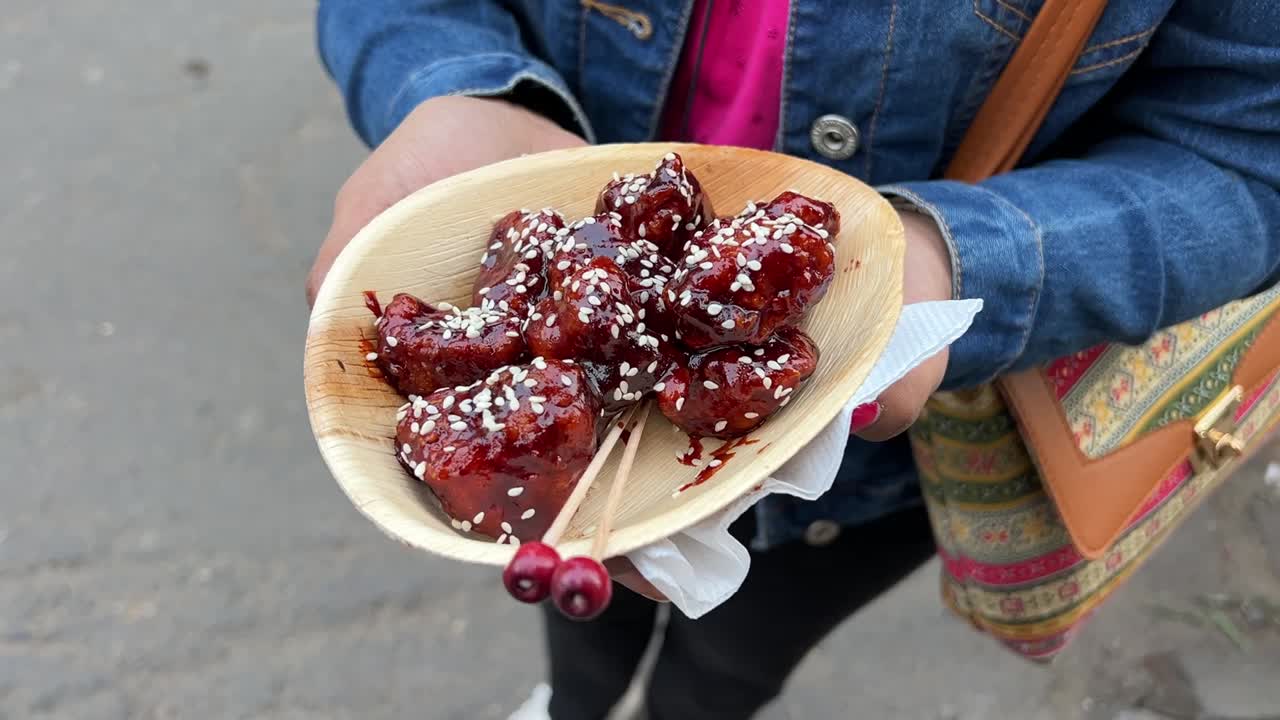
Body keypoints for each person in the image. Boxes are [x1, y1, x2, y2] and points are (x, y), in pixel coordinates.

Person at [307, 1, 1280, 718]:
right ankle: (571, 707)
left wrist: (944, 258)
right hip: (583, 409)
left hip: (887, 444)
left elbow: (1246, 151)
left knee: (737, 652)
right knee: (580, 598)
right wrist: (453, 83)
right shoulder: (568, 330)